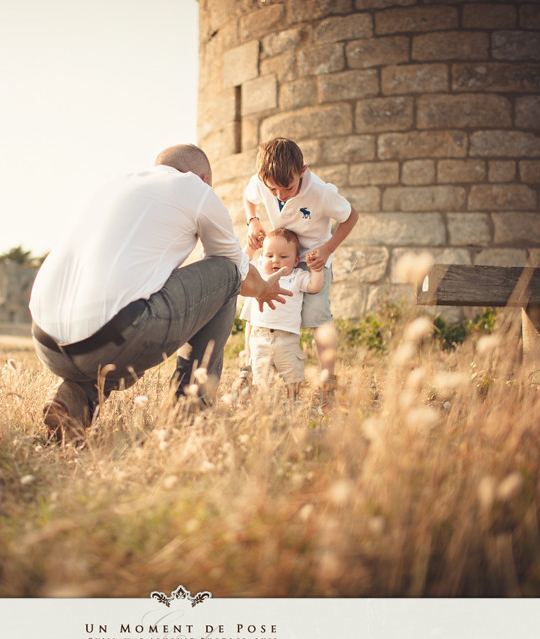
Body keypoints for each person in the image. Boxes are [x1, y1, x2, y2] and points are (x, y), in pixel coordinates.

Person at [28, 144, 291, 441]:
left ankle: (76, 397)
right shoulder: (197, 190)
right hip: (112, 340)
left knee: (130, 299)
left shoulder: (113, 184)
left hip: (45, 343)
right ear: (204, 178)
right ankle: (191, 411)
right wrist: (265, 288)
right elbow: (238, 274)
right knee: (227, 271)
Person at [242, 137, 359, 389]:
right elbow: (248, 197)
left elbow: (350, 217)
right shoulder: (263, 182)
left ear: (302, 172)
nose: (280, 195)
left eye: (288, 188)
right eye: (273, 190)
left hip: (315, 258)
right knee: (260, 304)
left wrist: (327, 250)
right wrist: (253, 219)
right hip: (280, 253)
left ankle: (328, 376)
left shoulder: (321, 192)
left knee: (317, 314)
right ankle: (252, 363)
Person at [241, 228, 324, 400]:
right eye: (269, 256)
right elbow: (241, 266)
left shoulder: (297, 276)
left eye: (283, 257)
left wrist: (316, 268)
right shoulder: (259, 272)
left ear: (296, 260)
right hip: (260, 336)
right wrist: (251, 248)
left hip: (287, 337)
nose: (275, 261)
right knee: (261, 378)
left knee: (293, 375)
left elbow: (315, 286)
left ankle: (292, 401)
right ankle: (264, 405)